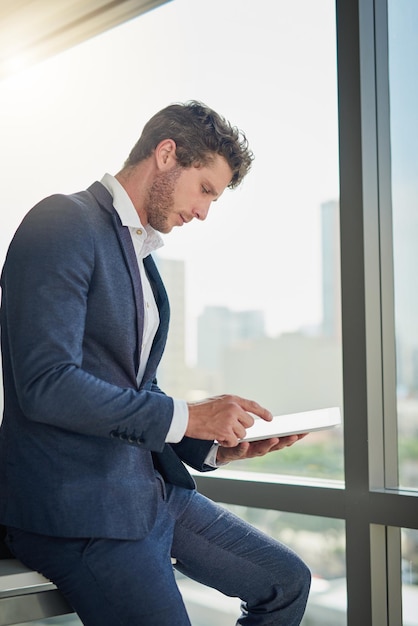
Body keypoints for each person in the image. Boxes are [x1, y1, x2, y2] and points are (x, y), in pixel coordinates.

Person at [0, 101, 311, 625]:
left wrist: (209, 443)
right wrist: (190, 415)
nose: (205, 211)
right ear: (167, 155)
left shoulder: (143, 255)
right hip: (83, 512)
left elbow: (132, 391)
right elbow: (46, 384)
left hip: (154, 495)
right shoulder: (62, 222)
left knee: (287, 583)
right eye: (206, 189)